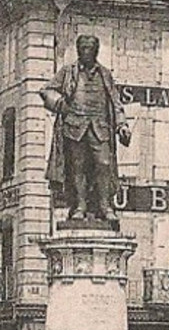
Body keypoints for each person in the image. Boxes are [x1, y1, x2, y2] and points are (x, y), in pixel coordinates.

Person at [39, 34, 131, 222]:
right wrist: (60, 105)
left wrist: (122, 124)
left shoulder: (105, 74)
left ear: (96, 51)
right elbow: (46, 90)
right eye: (83, 48)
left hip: (100, 127)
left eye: (90, 48)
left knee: (104, 165)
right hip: (75, 126)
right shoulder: (68, 72)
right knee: (77, 167)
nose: (86, 52)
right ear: (78, 50)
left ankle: (105, 206)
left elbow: (115, 102)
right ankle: (80, 206)